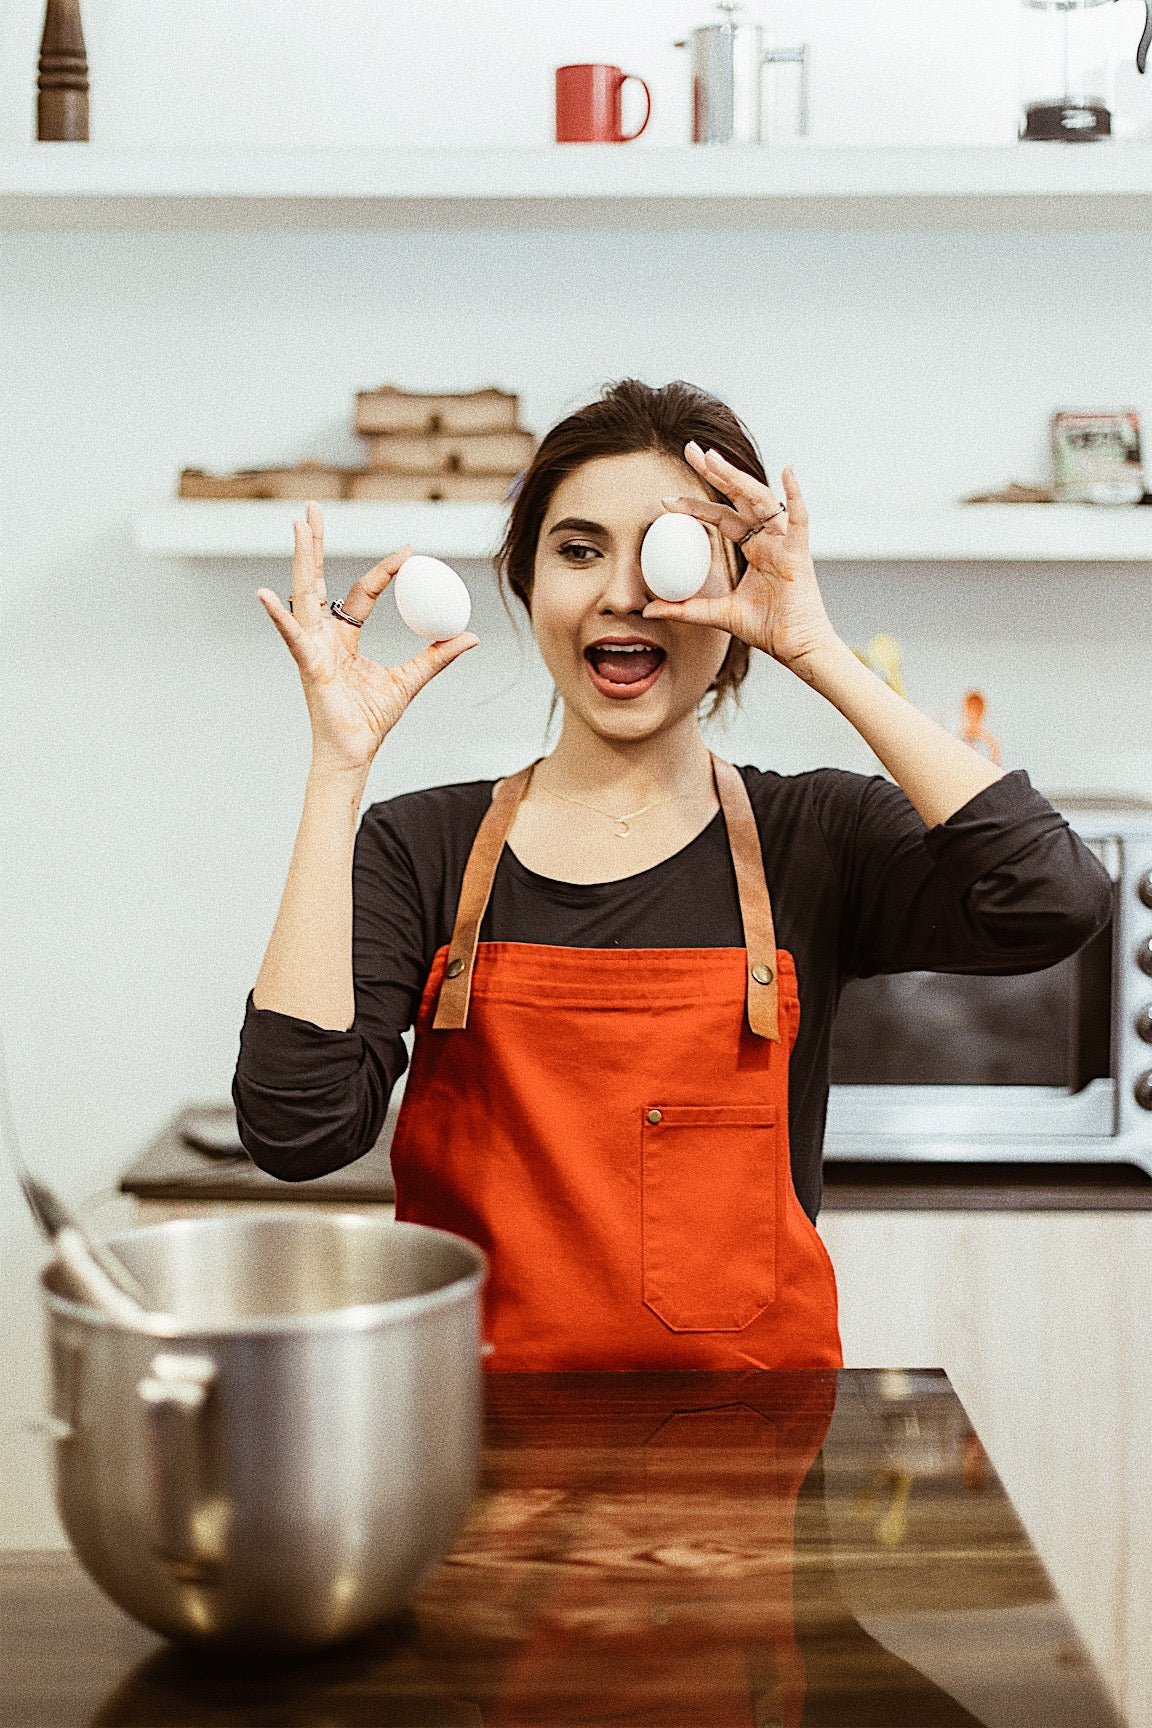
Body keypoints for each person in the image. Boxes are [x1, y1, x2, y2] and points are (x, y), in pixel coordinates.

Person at [233, 379, 1111, 1372]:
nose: (621, 592)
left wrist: (818, 647)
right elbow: (294, 1131)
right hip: (470, 1454)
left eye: (667, 551)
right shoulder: (418, 847)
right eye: (577, 549)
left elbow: (1055, 901)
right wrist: (337, 771)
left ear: (735, 589)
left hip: (745, 1470)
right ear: (526, 582)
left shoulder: (814, 836)